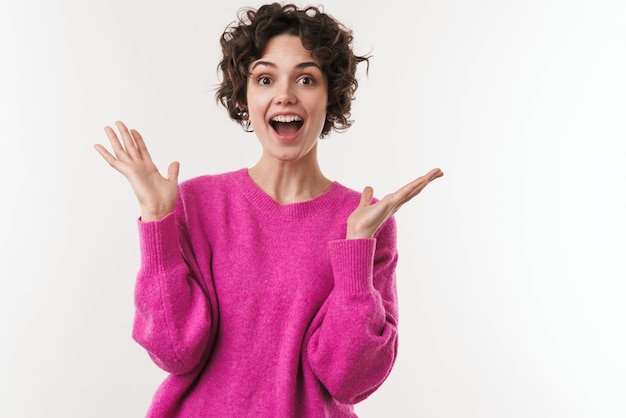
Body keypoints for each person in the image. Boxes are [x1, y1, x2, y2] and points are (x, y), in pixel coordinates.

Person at [94, 3, 443, 417]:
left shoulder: (365, 223)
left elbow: (350, 381)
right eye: (264, 78)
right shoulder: (194, 204)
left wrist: (355, 253)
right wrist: (157, 219)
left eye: (306, 79)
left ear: (331, 98)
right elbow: (174, 352)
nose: (285, 95)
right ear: (243, 98)